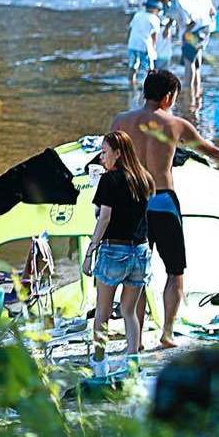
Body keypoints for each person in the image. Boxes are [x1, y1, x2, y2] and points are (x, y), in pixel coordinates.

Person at [108, 68, 219, 348]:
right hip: (163, 201)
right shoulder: (175, 125)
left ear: (145, 91)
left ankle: (134, 340)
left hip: (132, 203)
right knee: (175, 272)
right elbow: (212, 152)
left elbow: (107, 160)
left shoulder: (121, 121)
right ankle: (167, 333)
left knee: (135, 274)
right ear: (168, 97)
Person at [85, 130, 153, 356]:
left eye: (104, 152)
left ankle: (99, 364)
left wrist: (90, 251)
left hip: (114, 250)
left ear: (118, 153)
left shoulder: (109, 180)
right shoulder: (143, 178)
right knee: (129, 311)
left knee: (102, 313)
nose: (101, 158)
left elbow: (104, 218)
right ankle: (133, 363)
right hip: (141, 252)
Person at [126, 0, 172, 87]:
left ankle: (132, 84)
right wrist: (153, 49)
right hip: (144, 46)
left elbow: (131, 28)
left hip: (132, 44)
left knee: (132, 67)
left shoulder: (138, 14)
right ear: (156, 9)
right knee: (149, 69)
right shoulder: (154, 19)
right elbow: (154, 36)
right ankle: (150, 86)